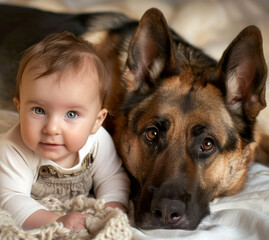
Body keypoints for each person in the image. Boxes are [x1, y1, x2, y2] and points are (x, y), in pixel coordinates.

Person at [0, 31, 130, 230]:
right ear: (19, 108)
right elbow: (10, 200)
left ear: (97, 121)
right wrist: (55, 221)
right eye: (38, 110)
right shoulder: (12, 149)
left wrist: (112, 207)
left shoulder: (98, 141)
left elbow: (111, 177)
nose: (51, 128)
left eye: (71, 114)